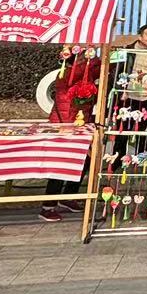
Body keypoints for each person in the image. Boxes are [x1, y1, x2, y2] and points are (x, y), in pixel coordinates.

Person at [40, 45, 102, 222]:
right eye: (83, 55)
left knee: (84, 160)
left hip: (81, 121)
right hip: (65, 123)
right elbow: (85, 70)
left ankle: (69, 195)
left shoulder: (86, 72)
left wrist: (112, 58)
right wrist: (97, 57)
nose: (87, 58)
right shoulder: (66, 73)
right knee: (62, 163)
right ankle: (48, 206)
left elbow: (98, 70)